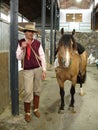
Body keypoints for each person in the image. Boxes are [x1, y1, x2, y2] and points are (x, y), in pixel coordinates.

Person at [16, 24, 46, 122]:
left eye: (32, 32)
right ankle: (27, 112)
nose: (31, 33)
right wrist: (22, 48)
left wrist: (44, 70)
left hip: (38, 69)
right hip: (27, 70)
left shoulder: (37, 43)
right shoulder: (21, 42)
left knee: (37, 89)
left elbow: (42, 56)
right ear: (25, 33)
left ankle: (36, 108)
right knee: (28, 91)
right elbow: (18, 57)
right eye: (29, 31)